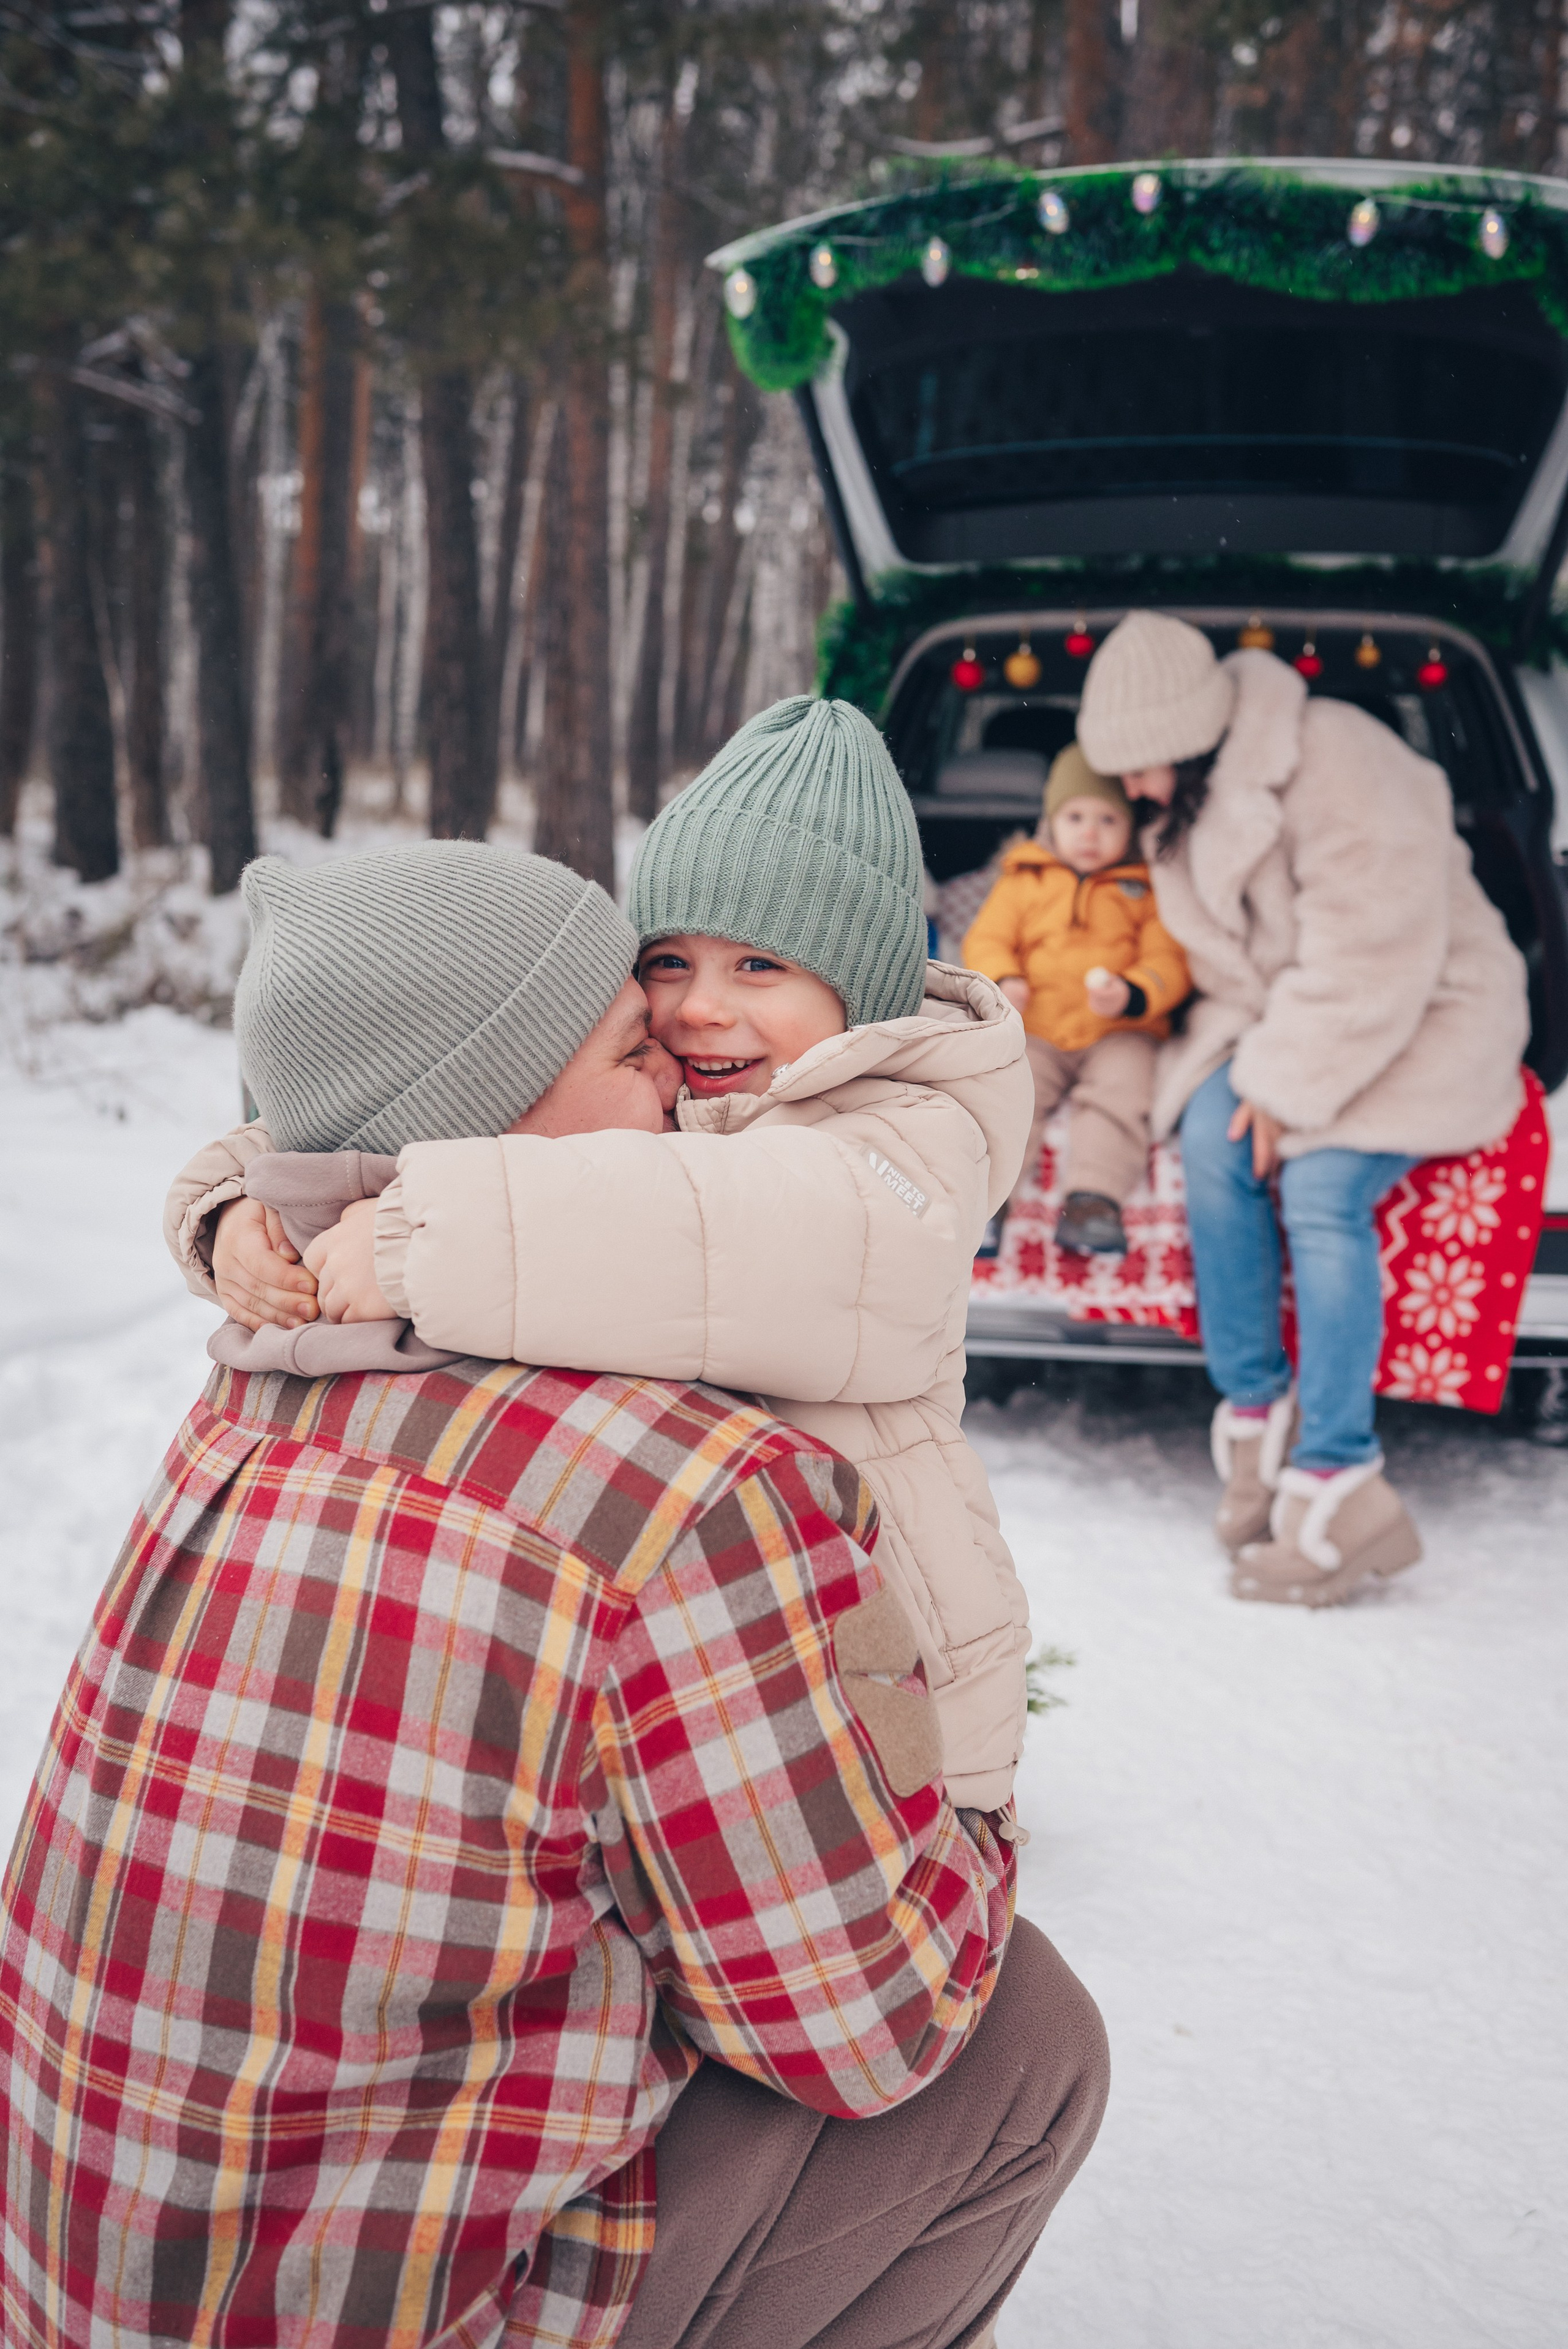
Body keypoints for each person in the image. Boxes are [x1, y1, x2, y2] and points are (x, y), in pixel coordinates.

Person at [0, 842, 1109, 2349]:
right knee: (1021, 2034)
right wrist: (962, 1821)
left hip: (90, 2277)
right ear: (496, 1113)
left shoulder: (247, 1388)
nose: (676, 1075)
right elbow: (865, 2026)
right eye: (628, 1044)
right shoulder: (685, 1482)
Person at [168, 698, 1035, 1813]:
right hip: (681, 1638)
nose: (698, 1010)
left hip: (871, 1667)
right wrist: (234, 1206)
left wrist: (428, 1236)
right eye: (668, 962)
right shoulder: (694, 1103)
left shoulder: (897, 1140)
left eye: (760, 966)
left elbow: (749, 1232)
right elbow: (364, 1117)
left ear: (856, 989)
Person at [1076, 610, 1531, 1606]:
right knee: (1209, 1135)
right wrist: (1246, 1079)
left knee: (1320, 1189)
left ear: (1190, 732)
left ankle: (1341, 1476)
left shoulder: (1339, 756)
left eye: (1145, 768)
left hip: (1427, 1008)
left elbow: (1377, 951)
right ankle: (1255, 1415)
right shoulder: (1184, 800)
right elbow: (1233, 970)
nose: (1136, 793)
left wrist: (1281, 1089)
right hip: (1301, 1012)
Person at [962, 742, 1191, 1257]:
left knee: (1120, 1096)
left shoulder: (1148, 886)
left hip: (1119, 1032)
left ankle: (1093, 1201)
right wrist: (1004, 978)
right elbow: (986, 939)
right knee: (1011, 1096)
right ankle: (989, 1203)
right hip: (1038, 1027)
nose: (1090, 832)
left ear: (1132, 827)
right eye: (1076, 817)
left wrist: (1133, 993)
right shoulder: (1023, 878)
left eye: (1108, 819)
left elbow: (1168, 959)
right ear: (1051, 822)